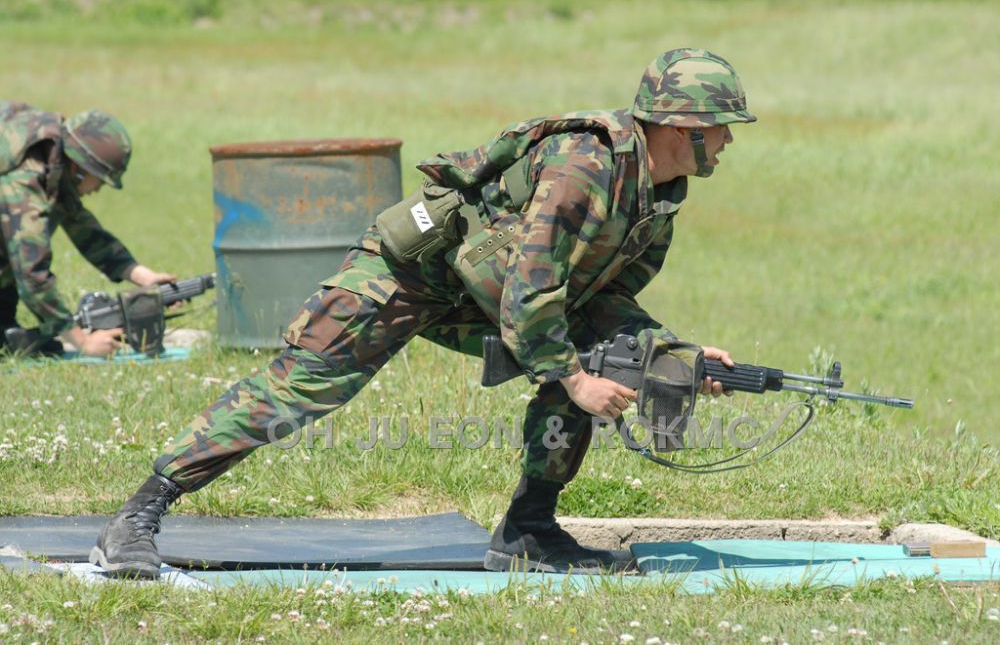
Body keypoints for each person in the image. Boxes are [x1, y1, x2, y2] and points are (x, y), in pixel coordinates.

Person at [91, 48, 755, 578]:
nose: (726, 141)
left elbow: (601, 302)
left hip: (486, 292)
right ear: (678, 125)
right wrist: (576, 379)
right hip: (405, 275)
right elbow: (533, 287)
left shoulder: (660, 191)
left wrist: (673, 353)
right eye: (719, 127)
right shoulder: (584, 167)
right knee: (302, 387)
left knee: (586, 357)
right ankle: (138, 516)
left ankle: (529, 532)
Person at [0, 101, 176, 357]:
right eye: (100, 181)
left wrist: (141, 275)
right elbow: (32, 276)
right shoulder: (24, 186)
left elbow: (85, 230)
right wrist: (82, 342)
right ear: (80, 169)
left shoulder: (50, 158)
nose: (97, 190)